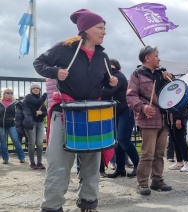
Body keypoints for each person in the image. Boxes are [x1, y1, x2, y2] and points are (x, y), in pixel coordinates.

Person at [33, 9, 118, 212]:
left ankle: (88, 202)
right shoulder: (65, 48)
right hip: (65, 112)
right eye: (100, 28)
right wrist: (55, 72)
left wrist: (112, 83)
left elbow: (104, 87)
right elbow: (39, 63)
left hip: (93, 113)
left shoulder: (103, 57)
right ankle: (52, 207)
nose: (104, 32)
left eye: (104, 28)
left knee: (91, 161)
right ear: (86, 29)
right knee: (59, 163)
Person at [127, 46, 173, 195]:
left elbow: (174, 92)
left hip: (164, 119)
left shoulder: (161, 74)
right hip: (148, 120)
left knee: (159, 153)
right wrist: (142, 107)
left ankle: (157, 180)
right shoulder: (137, 75)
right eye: (156, 56)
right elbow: (130, 96)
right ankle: (142, 184)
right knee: (147, 154)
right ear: (147, 58)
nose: (159, 58)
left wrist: (170, 79)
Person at [102, 59, 140, 178]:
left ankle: (139, 165)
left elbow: (107, 92)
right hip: (117, 112)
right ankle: (120, 169)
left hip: (126, 111)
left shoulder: (118, 77)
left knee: (123, 139)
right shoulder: (111, 77)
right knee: (117, 141)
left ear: (112, 67)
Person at [24, 83, 48, 170]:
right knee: (32, 143)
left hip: (40, 123)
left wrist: (42, 113)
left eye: (37, 88)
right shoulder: (28, 97)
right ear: (31, 90)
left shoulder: (41, 100)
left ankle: (39, 162)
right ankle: (32, 163)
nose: (36, 89)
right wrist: (45, 94)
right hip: (31, 123)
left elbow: (45, 112)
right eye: (34, 88)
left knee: (40, 143)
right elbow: (37, 103)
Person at [0, 88, 26, 164]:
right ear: (4, 94)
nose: (10, 95)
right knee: (3, 142)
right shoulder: (0, 102)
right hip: (1, 125)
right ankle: (5, 158)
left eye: (11, 93)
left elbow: (22, 110)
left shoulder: (15, 103)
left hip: (11, 124)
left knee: (16, 140)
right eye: (8, 93)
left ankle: (21, 157)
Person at [167, 102, 188, 172]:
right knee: (175, 141)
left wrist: (179, 118)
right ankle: (179, 162)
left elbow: (183, 104)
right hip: (171, 119)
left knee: (181, 141)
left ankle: (187, 163)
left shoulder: (180, 92)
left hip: (179, 119)